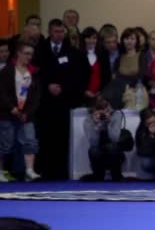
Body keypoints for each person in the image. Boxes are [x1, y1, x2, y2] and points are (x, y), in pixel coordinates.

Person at [37, 19, 89, 179]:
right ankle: (43, 172)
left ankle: (60, 172)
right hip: (44, 103)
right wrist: (47, 86)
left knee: (62, 138)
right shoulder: (39, 50)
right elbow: (33, 74)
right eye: (55, 32)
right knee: (45, 137)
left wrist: (63, 88)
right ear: (49, 32)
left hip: (64, 102)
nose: (59, 35)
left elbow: (80, 76)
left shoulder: (74, 53)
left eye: (61, 32)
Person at [0, 42, 41, 182]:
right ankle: (1, 171)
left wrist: (27, 113)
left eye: (31, 54)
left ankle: (29, 170)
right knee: (6, 144)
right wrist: (12, 108)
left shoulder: (33, 72)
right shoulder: (7, 71)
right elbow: (2, 93)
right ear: (18, 53)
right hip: (8, 113)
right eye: (26, 53)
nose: (29, 57)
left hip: (27, 115)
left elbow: (36, 96)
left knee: (30, 141)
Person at [82, 96, 125, 181]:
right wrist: (97, 125)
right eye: (99, 112)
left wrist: (109, 122)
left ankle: (116, 175)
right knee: (93, 150)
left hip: (113, 149)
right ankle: (98, 176)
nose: (102, 115)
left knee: (112, 147)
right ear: (93, 110)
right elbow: (93, 143)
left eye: (104, 111)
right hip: (98, 150)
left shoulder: (116, 115)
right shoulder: (88, 119)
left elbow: (115, 139)